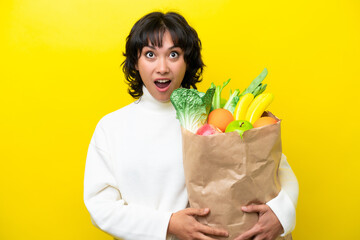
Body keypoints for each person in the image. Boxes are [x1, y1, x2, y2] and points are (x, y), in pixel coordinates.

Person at [83, 11, 299, 240]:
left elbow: (275, 165)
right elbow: (100, 207)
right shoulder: (112, 127)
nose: (162, 67)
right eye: (150, 55)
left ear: (187, 61)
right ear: (136, 62)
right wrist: (167, 224)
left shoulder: (215, 114)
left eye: (173, 54)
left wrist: (281, 214)